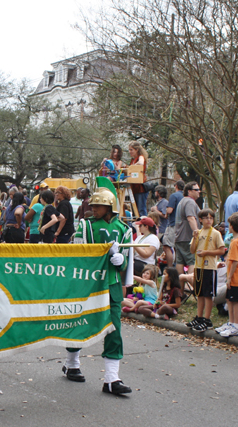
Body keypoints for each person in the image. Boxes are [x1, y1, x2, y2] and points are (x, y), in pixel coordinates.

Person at [62, 188, 132, 394]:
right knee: (79, 322)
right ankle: (72, 363)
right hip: (88, 284)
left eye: (97, 206)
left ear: (109, 207)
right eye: (91, 205)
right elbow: (78, 255)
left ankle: (112, 378)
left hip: (111, 284)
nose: (92, 209)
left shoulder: (124, 228)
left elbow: (126, 260)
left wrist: (121, 260)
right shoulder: (85, 225)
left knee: (114, 329)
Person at [186, 208, 225, 332]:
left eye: (211, 218)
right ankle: (199, 317)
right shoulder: (199, 232)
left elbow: (222, 250)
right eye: (206, 218)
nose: (209, 220)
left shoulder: (215, 233)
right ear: (201, 220)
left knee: (208, 294)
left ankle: (207, 320)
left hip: (209, 267)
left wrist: (207, 252)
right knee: (200, 294)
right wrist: (195, 238)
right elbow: (192, 250)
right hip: (199, 267)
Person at [216, 213, 238, 337]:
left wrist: (229, 277)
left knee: (234, 301)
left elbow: (235, 261)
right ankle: (231, 322)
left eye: (229, 225)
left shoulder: (235, 242)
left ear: (232, 226)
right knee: (229, 300)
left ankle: (236, 325)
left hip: (235, 277)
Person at [174, 181, 201, 276]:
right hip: (188, 238)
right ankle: (191, 286)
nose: (199, 191)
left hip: (179, 237)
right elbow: (191, 218)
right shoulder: (190, 202)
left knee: (180, 262)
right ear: (189, 191)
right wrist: (196, 233)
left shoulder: (182, 201)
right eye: (196, 190)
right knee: (192, 262)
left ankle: (180, 288)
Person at [163, 180, 185, 267]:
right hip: (182, 226)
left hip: (173, 224)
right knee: (177, 247)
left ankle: (170, 268)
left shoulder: (174, 196)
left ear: (176, 186)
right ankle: (178, 266)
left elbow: (169, 210)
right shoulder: (185, 196)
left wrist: (166, 212)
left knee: (166, 245)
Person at [127, 141, 149, 216]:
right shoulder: (132, 160)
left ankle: (144, 225)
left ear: (136, 150)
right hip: (134, 188)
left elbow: (141, 163)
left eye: (131, 150)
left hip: (140, 188)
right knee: (135, 210)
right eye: (129, 150)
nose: (130, 152)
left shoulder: (140, 157)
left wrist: (131, 167)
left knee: (141, 209)